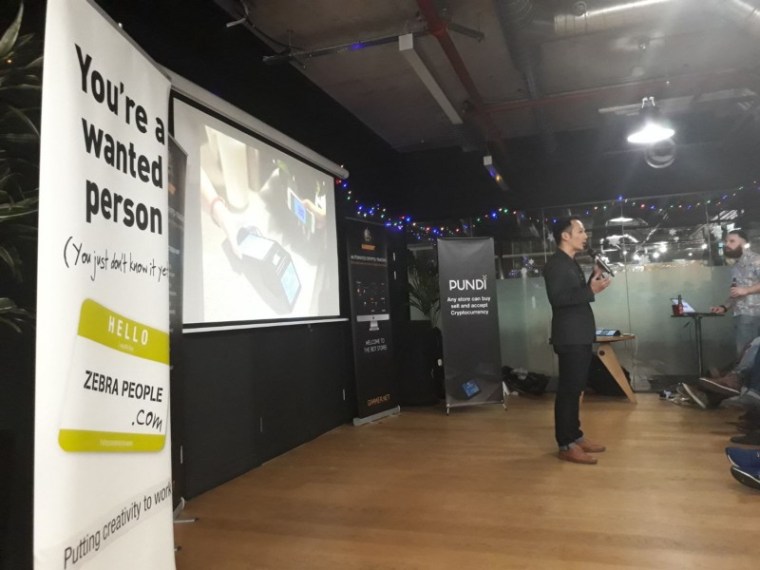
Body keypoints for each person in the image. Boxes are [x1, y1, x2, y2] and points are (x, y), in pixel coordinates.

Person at [544, 217, 612, 465]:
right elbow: (559, 299)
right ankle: (565, 444)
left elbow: (574, 294)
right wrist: (591, 290)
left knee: (576, 389)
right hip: (569, 335)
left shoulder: (569, 262)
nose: (585, 236)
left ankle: (575, 436)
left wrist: (593, 278)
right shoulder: (556, 264)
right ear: (565, 236)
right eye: (580, 231)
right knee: (569, 390)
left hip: (579, 333)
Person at [710, 229, 760, 358]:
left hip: (753, 313)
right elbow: (737, 292)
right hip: (740, 313)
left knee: (746, 354)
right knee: (744, 353)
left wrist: (746, 290)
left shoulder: (756, 260)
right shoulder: (736, 265)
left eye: (732, 241)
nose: (727, 244)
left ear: (744, 243)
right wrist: (724, 307)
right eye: (726, 241)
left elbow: (743, 290)